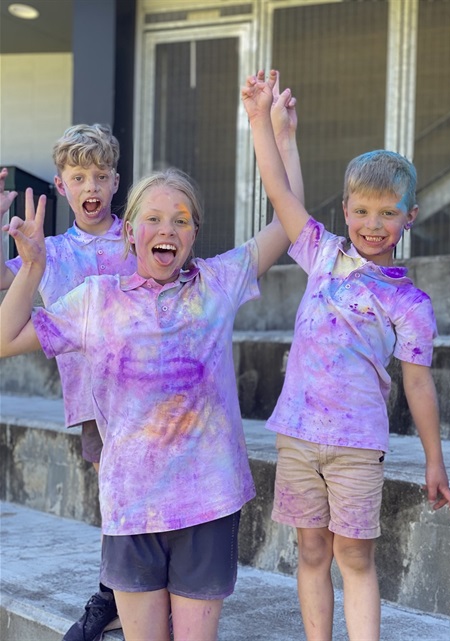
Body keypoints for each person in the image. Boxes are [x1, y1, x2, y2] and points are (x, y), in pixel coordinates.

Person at [0, 76, 303, 641]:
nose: (167, 228)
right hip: (132, 505)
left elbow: (289, 226)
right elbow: (3, 337)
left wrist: (273, 133)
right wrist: (34, 267)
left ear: (194, 235)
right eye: (155, 219)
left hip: (208, 500)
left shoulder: (215, 284)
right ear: (131, 233)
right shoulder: (95, 302)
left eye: (181, 220)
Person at [241, 70, 450, 641]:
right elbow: (281, 194)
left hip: (358, 445)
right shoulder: (321, 255)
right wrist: (265, 125)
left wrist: (435, 460)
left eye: (388, 213)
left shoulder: (410, 303)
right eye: (362, 211)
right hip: (297, 435)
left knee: (354, 556)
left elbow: (417, 386)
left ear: (409, 217)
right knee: (310, 548)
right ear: (344, 210)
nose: (373, 224)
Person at [0, 123, 137, 641]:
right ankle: (115, 590)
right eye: (79, 177)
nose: (92, 187)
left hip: (146, 393)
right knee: (114, 495)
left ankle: (126, 590)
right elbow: (2, 279)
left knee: (140, 495)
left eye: (101, 176)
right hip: (90, 400)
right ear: (62, 185)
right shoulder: (50, 250)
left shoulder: (135, 235)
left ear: (116, 181)